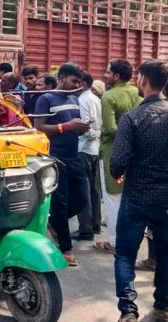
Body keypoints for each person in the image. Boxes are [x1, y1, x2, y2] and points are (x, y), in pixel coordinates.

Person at [111, 59, 168, 322]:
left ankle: (128, 311)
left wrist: (122, 171)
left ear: (143, 81)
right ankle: (162, 306)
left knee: (124, 253)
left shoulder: (132, 118)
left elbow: (117, 164)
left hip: (136, 198)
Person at [34, 62, 90, 267]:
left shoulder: (74, 99)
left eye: (79, 82)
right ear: (63, 77)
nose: (77, 85)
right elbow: (39, 128)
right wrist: (67, 126)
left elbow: (72, 126)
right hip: (55, 157)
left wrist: (81, 128)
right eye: (74, 81)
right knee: (62, 201)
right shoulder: (46, 98)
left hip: (74, 155)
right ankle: (66, 248)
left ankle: (54, 222)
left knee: (82, 199)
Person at [93, 59, 141, 255]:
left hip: (113, 154)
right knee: (129, 199)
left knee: (112, 200)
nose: (105, 75)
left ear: (116, 76)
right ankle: (130, 241)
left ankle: (113, 242)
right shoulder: (137, 93)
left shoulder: (109, 96)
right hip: (135, 154)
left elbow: (111, 128)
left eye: (108, 72)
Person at [73, 71, 102, 241]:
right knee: (93, 189)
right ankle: (95, 223)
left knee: (83, 190)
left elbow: (85, 127)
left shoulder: (82, 100)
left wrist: (90, 133)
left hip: (83, 148)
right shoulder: (96, 99)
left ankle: (86, 228)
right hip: (93, 148)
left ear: (82, 84)